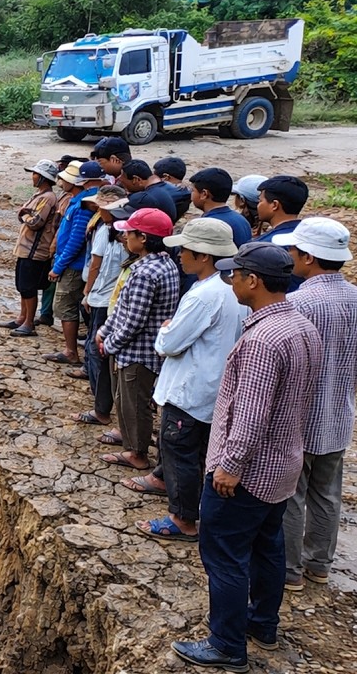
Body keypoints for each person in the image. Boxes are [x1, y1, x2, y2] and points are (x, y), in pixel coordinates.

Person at [172, 242, 322, 672]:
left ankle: (226, 645)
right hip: (281, 467)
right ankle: (262, 625)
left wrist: (230, 467)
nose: (230, 281)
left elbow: (251, 413)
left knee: (224, 556)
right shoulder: (299, 325)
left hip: (247, 472)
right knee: (267, 547)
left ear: (252, 281)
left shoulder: (262, 340)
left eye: (233, 275)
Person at [133, 218, 245, 541]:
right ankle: (197, 512)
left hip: (190, 390)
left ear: (204, 256)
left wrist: (166, 329)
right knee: (198, 455)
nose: (180, 255)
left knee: (179, 451)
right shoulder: (231, 289)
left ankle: (182, 519)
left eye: (185, 250)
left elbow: (168, 344)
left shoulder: (202, 296)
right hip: (215, 388)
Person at [274, 217, 357, 591]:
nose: (290, 256)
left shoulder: (298, 302)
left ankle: (289, 570)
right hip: (339, 414)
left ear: (307, 258)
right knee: (327, 493)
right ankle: (319, 563)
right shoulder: (355, 298)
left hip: (299, 417)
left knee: (292, 495)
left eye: (293, 251)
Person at [96, 208, 179, 472]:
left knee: (134, 404)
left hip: (137, 351)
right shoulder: (162, 264)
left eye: (129, 233)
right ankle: (132, 445)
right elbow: (123, 308)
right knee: (129, 401)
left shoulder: (145, 273)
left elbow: (133, 320)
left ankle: (137, 454)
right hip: (139, 348)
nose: (124, 237)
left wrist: (109, 344)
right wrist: (104, 330)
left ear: (142, 238)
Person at [76, 188, 130, 426]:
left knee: (96, 350)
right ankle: (102, 404)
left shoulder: (108, 232)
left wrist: (87, 293)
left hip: (102, 299)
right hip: (110, 300)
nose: (98, 210)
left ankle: (101, 409)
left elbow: (96, 265)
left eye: (102, 207)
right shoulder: (119, 232)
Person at [44, 162, 96, 366]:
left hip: (73, 265)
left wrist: (58, 266)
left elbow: (76, 239)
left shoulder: (83, 205)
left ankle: (71, 351)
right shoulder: (78, 200)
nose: (60, 182)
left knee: (66, 306)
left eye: (64, 178)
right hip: (72, 263)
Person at [0, 159, 60, 337]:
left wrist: (23, 216)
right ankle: (22, 317)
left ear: (42, 178)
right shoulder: (41, 196)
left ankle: (28, 322)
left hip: (35, 250)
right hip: (27, 249)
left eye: (35, 174)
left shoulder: (47, 198)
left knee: (28, 287)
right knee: (22, 286)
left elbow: (35, 221)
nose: (32, 177)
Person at [253, 175, 309, 292]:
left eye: (260, 200)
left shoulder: (262, 246)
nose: (258, 205)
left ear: (274, 205)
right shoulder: (310, 235)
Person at [190, 168, 253, 247]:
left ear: (204, 194)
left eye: (192, 190)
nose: (191, 195)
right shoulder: (242, 220)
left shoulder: (205, 225)